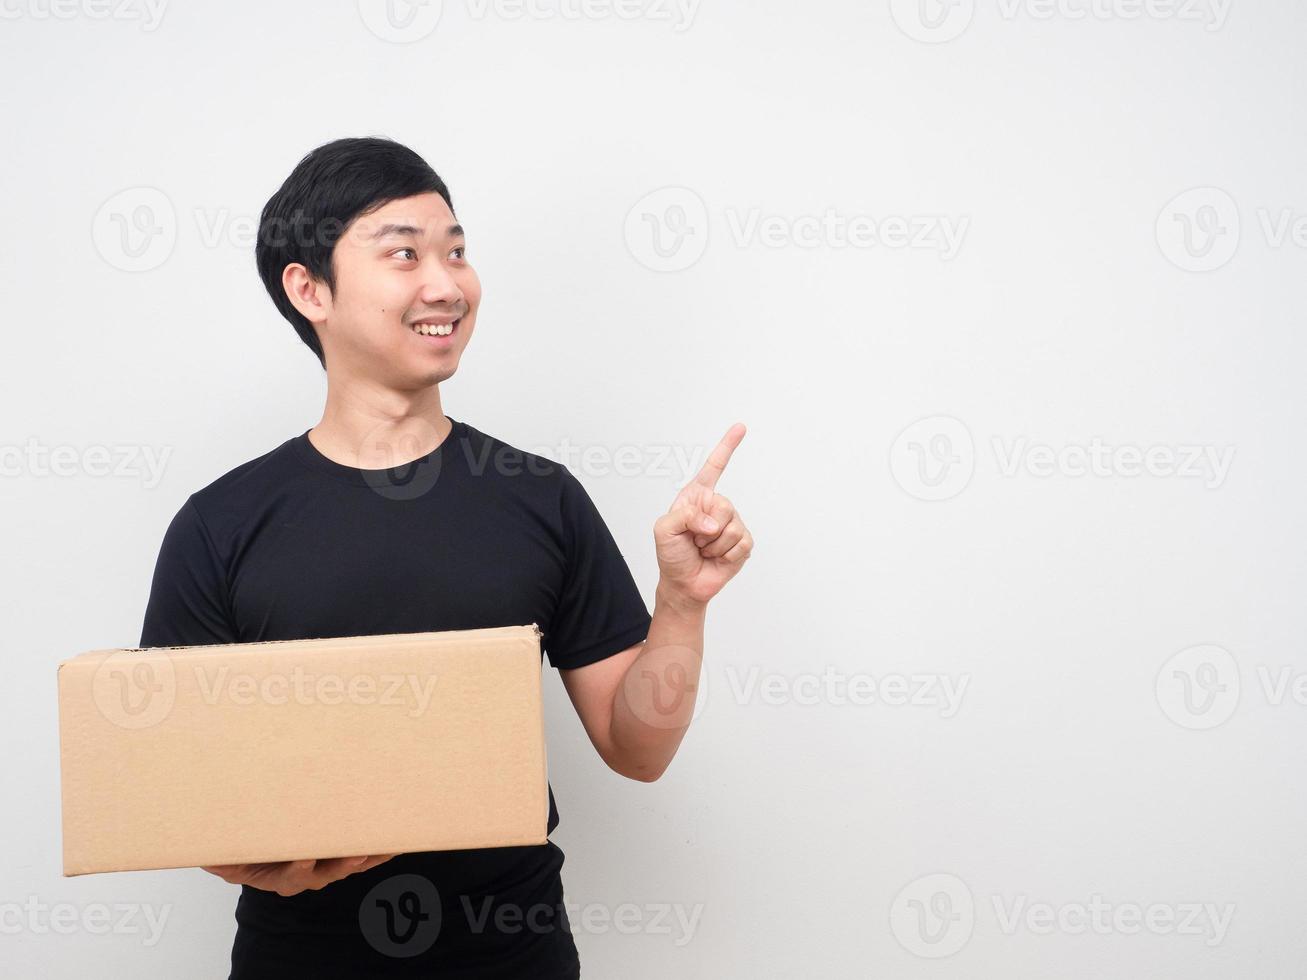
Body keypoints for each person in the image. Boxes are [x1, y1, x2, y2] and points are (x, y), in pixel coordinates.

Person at [138, 136, 753, 978]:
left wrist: (682, 602)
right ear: (308, 288)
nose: (446, 283)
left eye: (456, 252)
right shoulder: (221, 524)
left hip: (513, 955)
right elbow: (177, 790)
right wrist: (247, 862)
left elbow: (635, 749)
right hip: (301, 960)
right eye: (404, 253)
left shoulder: (540, 497)